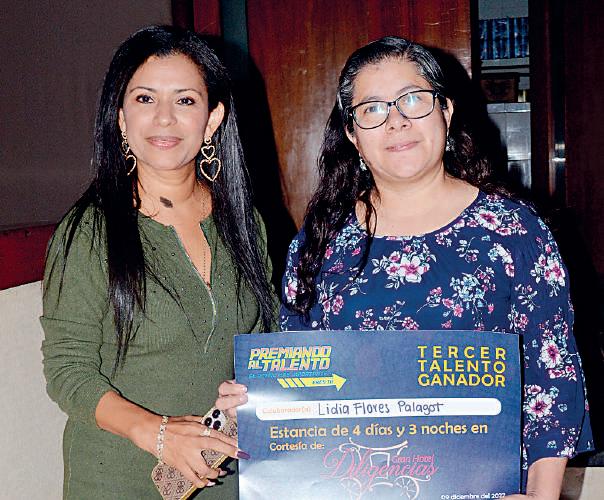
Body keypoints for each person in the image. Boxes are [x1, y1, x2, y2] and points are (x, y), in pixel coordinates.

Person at [218, 36, 592, 497]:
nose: (396, 121)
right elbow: (296, 375)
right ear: (353, 134)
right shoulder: (322, 240)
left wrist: (541, 496)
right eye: (373, 109)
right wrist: (254, 402)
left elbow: (553, 381)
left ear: (445, 112)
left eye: (413, 99)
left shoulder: (515, 231)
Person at [41, 25, 274, 499]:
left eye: (185, 100)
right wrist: (160, 434)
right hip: (120, 477)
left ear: (212, 119)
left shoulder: (243, 221)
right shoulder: (89, 231)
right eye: (145, 99)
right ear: (122, 119)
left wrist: (254, 385)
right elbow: (67, 370)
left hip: (225, 472)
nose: (164, 118)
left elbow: (266, 335)